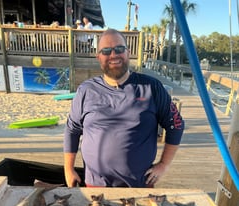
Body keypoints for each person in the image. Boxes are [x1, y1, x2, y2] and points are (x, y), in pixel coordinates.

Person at [63, 28, 184, 188]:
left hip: (138, 185)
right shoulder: (86, 90)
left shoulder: (151, 87)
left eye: (119, 49)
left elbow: (176, 124)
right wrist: (68, 169)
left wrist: (163, 165)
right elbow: (72, 129)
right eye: (106, 51)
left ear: (128, 52)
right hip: (95, 184)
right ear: (98, 56)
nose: (113, 55)